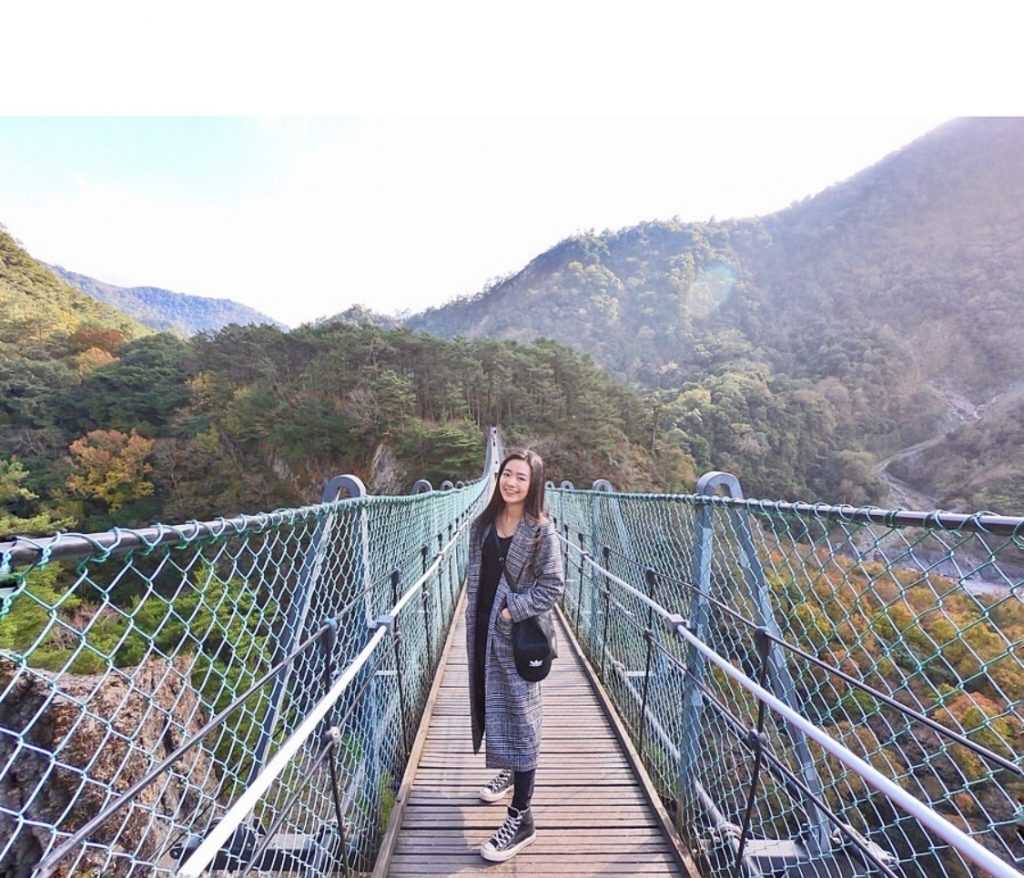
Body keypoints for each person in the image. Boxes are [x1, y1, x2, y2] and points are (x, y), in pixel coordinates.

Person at [465, 448, 565, 862]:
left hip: (516, 636)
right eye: (507, 474)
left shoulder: (540, 531)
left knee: (523, 720)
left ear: (534, 484)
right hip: (481, 633)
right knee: (495, 707)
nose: (511, 482)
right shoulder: (484, 523)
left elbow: (554, 586)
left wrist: (512, 610)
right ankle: (510, 769)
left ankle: (521, 817)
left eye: (521, 477)